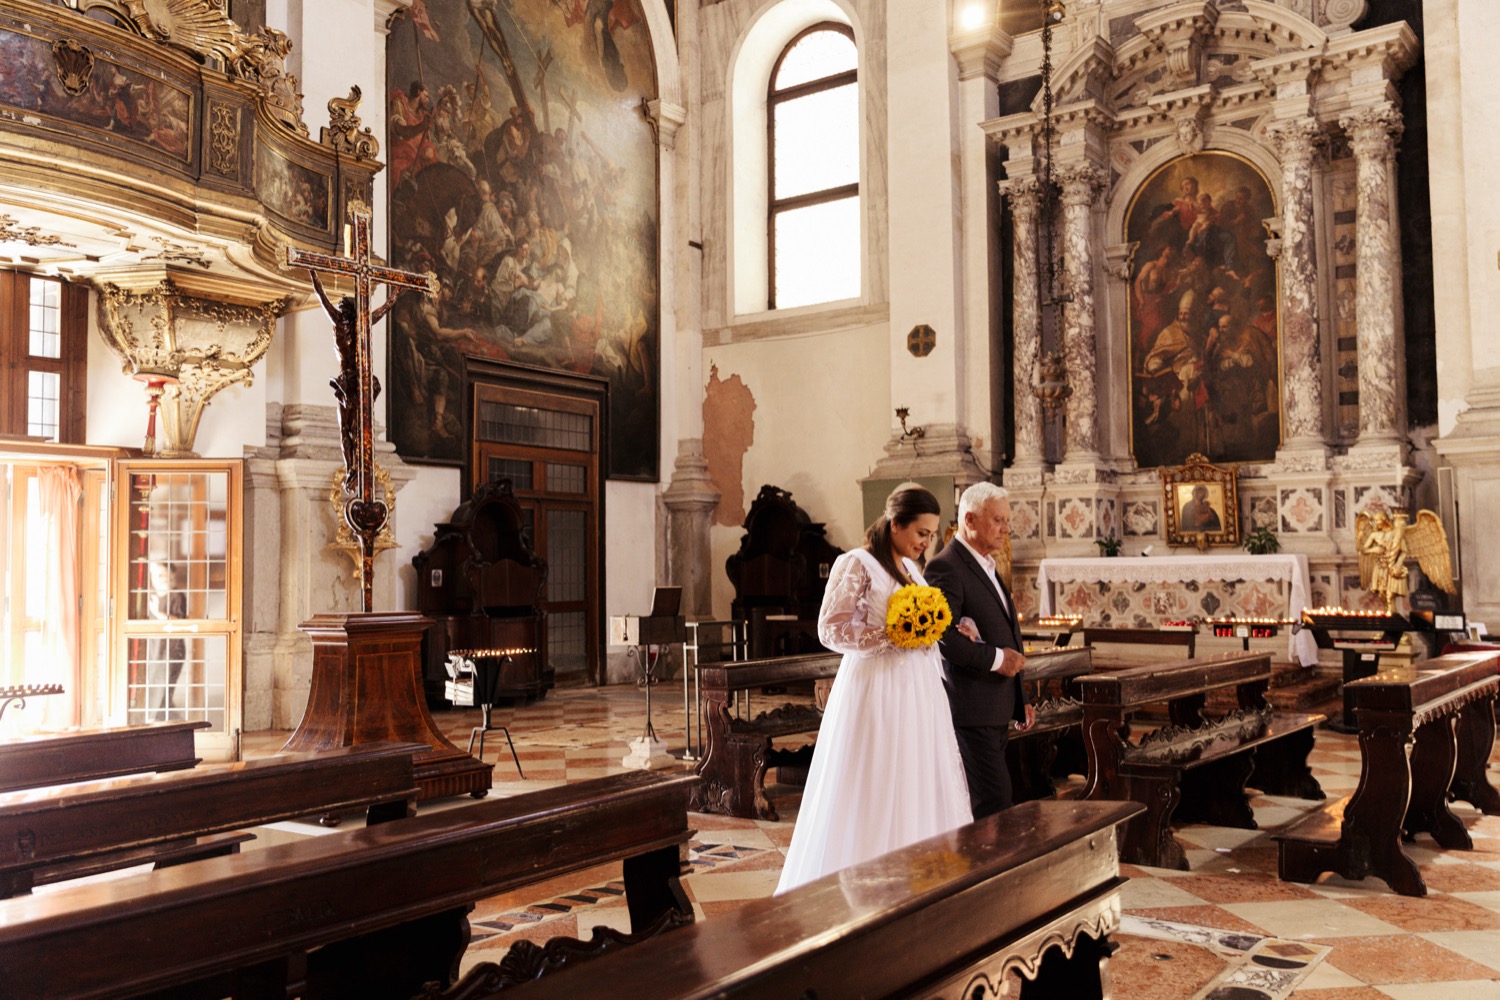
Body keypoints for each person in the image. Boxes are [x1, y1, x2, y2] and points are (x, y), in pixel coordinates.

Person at [774, 485, 973, 894]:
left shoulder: (912, 568)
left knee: (917, 775)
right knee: (878, 777)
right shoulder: (858, 562)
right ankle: (866, 883)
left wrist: (947, 629)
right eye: (921, 532)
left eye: (930, 534)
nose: (926, 542)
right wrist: (891, 636)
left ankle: (921, 878)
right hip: (878, 688)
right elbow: (830, 628)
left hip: (918, 690)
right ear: (895, 524)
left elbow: (923, 628)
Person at [925, 483, 1035, 819]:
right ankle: (986, 856)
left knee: (994, 803)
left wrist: (1021, 697)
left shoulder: (985, 563)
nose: (1006, 529)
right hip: (972, 708)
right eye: (998, 520)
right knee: (993, 804)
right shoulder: (946, 566)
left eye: (1007, 521)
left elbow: (1006, 632)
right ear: (969, 520)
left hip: (996, 705)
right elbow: (944, 638)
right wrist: (999, 660)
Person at [145, 561, 186, 720]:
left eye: (163, 574)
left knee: (163, 693)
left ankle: (170, 725)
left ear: (172, 575)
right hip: (154, 650)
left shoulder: (177, 596)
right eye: (157, 575)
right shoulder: (150, 596)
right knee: (154, 692)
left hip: (171, 651)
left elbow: (179, 623)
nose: (160, 578)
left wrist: (158, 613)